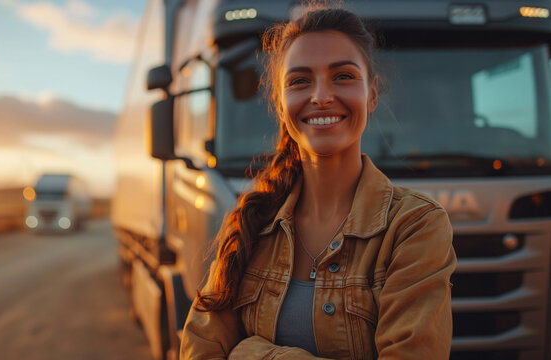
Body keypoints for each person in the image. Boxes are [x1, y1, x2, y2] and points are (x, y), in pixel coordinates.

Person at [180, 6, 456, 360]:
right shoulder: (252, 220)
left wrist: (254, 354)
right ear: (280, 105)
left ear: (371, 94)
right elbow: (197, 350)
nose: (322, 95)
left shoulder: (415, 225)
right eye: (300, 81)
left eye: (342, 76)